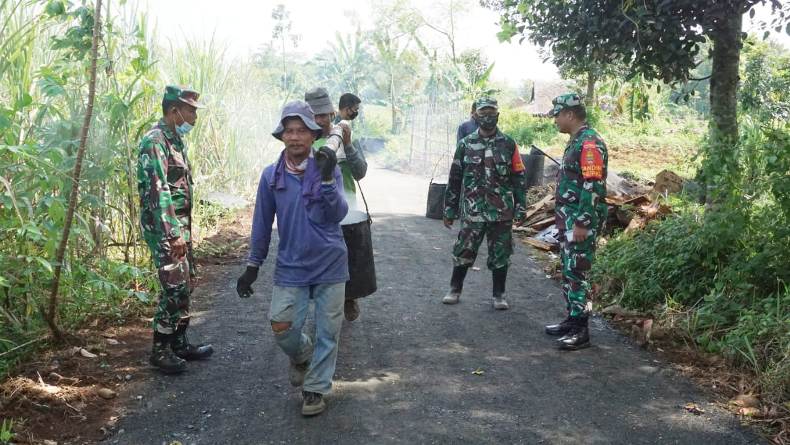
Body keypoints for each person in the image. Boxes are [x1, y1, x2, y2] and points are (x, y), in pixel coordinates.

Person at [235, 101, 348, 417]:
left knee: (329, 331)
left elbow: (337, 213)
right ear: (282, 136)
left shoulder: (328, 167)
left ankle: (315, 389)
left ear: (313, 136)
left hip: (330, 262)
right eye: (289, 131)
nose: (295, 137)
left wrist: (326, 179)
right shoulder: (271, 176)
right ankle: (302, 355)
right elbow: (261, 223)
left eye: (301, 131)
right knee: (282, 326)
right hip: (292, 264)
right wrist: (252, 265)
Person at [137, 85, 213, 374]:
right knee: (174, 285)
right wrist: (172, 233)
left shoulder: (175, 140)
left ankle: (179, 343)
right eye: (191, 110)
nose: (194, 117)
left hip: (181, 226)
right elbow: (158, 192)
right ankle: (160, 349)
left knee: (186, 282)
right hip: (165, 228)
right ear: (174, 111)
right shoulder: (154, 142)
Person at [442, 97, 527, 310]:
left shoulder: (508, 144)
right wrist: (449, 208)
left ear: (498, 115)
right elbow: (455, 179)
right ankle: (454, 289)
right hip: (473, 210)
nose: (487, 117)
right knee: (464, 250)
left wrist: (521, 205)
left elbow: (518, 176)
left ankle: (499, 295)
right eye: (483, 113)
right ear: (475, 115)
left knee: (501, 254)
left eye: (491, 112)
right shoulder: (465, 144)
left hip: (501, 212)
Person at [543, 93, 608, 351]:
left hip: (581, 222)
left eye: (557, 115)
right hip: (569, 220)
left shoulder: (590, 143)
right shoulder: (577, 141)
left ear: (570, 114)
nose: (555, 120)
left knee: (578, 271)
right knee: (570, 270)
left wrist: (582, 222)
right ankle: (573, 319)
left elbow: (593, 186)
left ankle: (582, 330)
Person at [305, 87, 370, 322]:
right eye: (315, 115)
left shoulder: (344, 135)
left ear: (333, 114)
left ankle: (348, 298)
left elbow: (360, 172)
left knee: (348, 256)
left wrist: (349, 144)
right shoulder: (304, 141)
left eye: (325, 115)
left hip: (346, 209)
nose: (321, 120)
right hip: (316, 210)